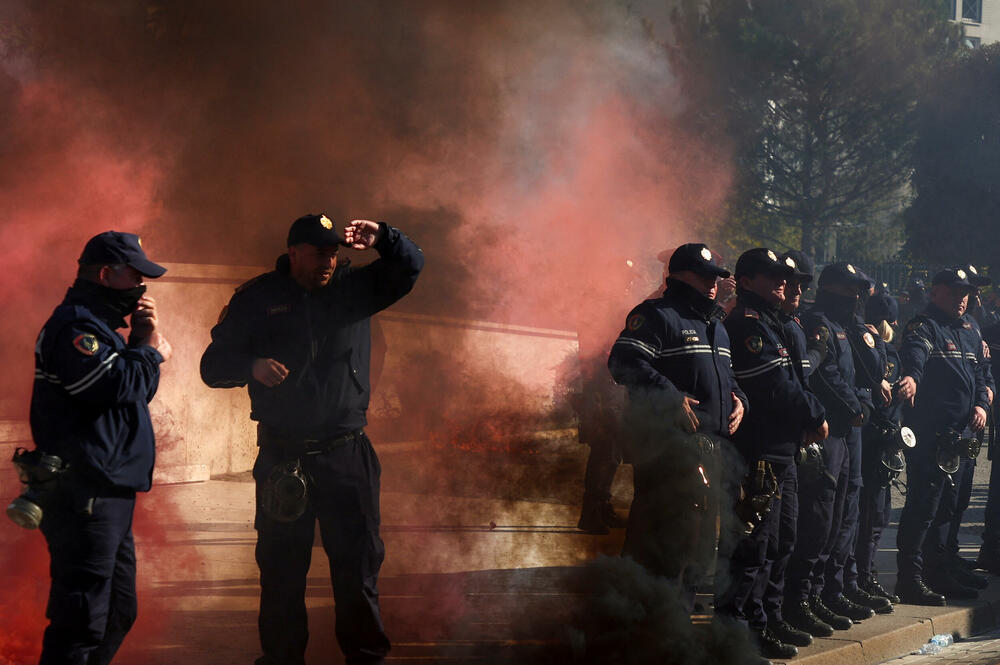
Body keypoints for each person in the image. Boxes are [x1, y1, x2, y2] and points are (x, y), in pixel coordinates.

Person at [200, 214, 423, 665]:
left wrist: (385, 237)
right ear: (293, 252)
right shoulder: (257, 298)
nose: (328, 260)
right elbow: (212, 366)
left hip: (346, 454)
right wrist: (251, 366)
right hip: (284, 457)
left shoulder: (355, 289)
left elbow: (411, 266)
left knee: (357, 571)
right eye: (318, 252)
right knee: (282, 575)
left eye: (333, 252)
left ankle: (366, 658)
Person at [21, 231, 172, 665]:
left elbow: (131, 391)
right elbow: (107, 384)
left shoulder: (101, 326)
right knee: (81, 622)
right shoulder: (76, 325)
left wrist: (142, 344)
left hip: (110, 492)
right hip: (83, 495)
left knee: (118, 613)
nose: (143, 287)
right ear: (106, 275)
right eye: (135, 276)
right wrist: (149, 351)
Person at [607, 243, 747, 612]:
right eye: (704, 277)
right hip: (668, 455)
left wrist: (739, 401)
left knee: (698, 551)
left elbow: (728, 379)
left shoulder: (716, 326)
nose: (713, 285)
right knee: (664, 547)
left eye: (717, 278)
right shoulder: (656, 315)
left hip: (710, 451)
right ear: (680, 275)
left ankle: (677, 632)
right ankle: (646, 631)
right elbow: (623, 362)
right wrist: (670, 396)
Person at [716, 248, 827, 661]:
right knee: (751, 548)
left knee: (781, 541)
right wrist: (817, 415)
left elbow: (795, 377)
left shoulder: (776, 322)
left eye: (783, 275)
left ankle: (765, 621)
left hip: (782, 452)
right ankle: (734, 634)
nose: (782, 282)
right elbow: (775, 386)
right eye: (770, 276)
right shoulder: (747, 323)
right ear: (746, 282)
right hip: (758, 452)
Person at [784, 263, 875, 637]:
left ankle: (825, 591)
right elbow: (823, 373)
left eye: (858, 290)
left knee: (842, 517)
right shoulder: (818, 323)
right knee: (818, 520)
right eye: (849, 289)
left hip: (847, 434)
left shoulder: (845, 326)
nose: (855, 296)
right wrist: (853, 406)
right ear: (832, 288)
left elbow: (867, 369)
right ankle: (800, 599)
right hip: (828, 432)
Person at [895, 268, 990, 605]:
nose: (961, 298)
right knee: (925, 507)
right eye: (953, 292)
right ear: (935, 293)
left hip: (964, 435)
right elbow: (914, 360)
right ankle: (912, 578)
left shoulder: (970, 328)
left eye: (964, 293)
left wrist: (982, 404)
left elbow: (981, 374)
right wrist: (912, 378)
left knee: (954, 505)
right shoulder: (924, 326)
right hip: (933, 436)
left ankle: (944, 567)